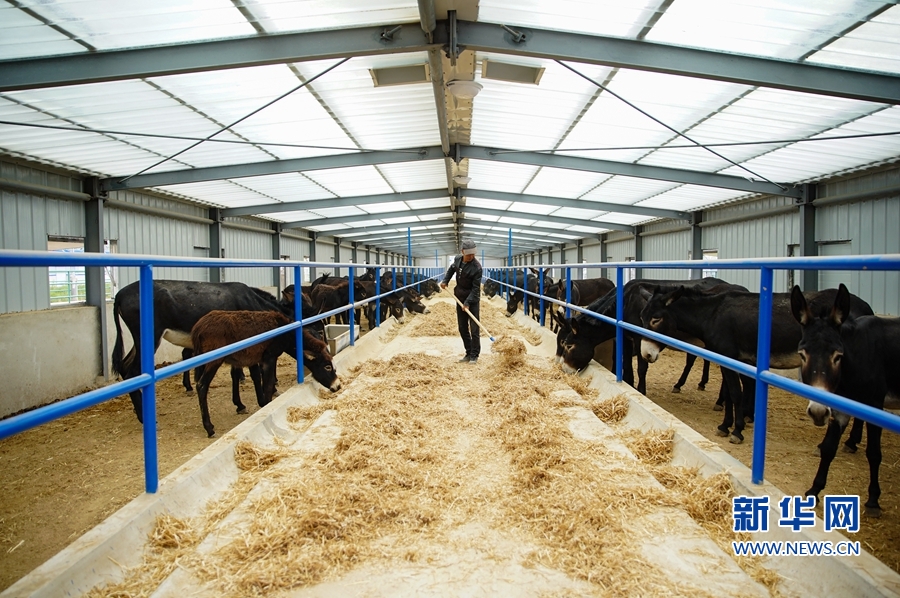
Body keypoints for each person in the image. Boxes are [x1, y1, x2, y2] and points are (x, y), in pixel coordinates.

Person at [441, 239, 483, 364]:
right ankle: (468, 352)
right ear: (462, 252)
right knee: (462, 327)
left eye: (473, 254)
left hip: (472, 299)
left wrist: (468, 302)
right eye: (469, 254)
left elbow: (476, 289)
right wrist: (445, 281)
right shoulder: (458, 259)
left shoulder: (477, 268)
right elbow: (451, 269)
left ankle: (475, 355)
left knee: (474, 328)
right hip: (459, 296)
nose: (471, 257)